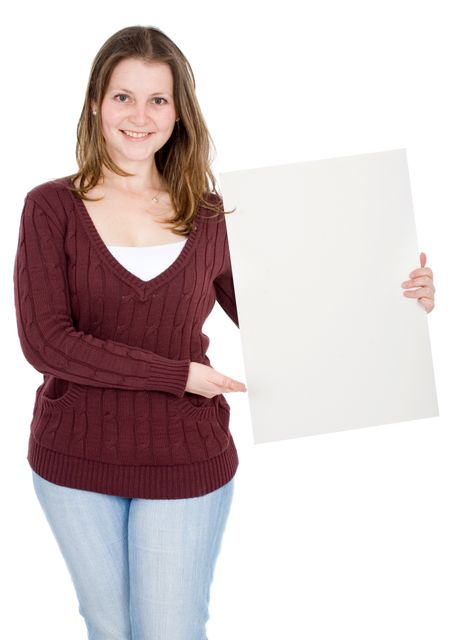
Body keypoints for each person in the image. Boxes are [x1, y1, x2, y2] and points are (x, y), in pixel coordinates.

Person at [13, 24, 435, 640]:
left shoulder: (208, 214)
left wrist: (395, 303)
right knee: (108, 628)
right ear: (96, 105)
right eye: (123, 96)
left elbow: (281, 318)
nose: (140, 115)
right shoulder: (50, 207)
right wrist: (175, 375)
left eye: (158, 99)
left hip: (185, 454)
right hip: (73, 460)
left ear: (179, 112)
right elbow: (45, 342)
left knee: (170, 629)